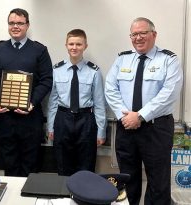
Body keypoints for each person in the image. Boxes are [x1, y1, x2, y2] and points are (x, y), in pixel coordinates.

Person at [105, 17, 183, 205]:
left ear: (153, 34)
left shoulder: (168, 60)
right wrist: (126, 116)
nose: (138, 38)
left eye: (143, 33)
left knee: (158, 181)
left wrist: (139, 115)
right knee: (126, 179)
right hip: (126, 126)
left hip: (156, 128)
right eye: (134, 34)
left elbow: (169, 93)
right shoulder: (122, 59)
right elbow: (110, 88)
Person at [0, 8, 53, 177]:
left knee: (31, 165)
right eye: (12, 23)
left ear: (27, 25)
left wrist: (32, 102)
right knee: (9, 164)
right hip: (4, 117)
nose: (15, 26)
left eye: (20, 23)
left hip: (30, 117)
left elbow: (46, 81)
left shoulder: (39, 50)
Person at [47, 29, 106, 176]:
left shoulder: (94, 71)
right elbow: (53, 101)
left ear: (85, 46)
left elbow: (99, 104)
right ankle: (63, 195)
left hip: (85, 120)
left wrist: (101, 131)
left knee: (86, 164)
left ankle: (83, 198)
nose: (74, 47)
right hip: (62, 118)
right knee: (62, 163)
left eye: (78, 44)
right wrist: (51, 127)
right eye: (71, 44)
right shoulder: (56, 70)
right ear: (66, 45)